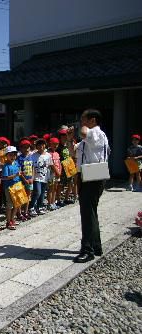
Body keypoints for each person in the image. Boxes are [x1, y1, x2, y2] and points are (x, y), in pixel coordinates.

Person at [71, 109, 110, 263]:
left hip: (93, 173)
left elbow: (83, 133)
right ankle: (95, 245)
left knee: (87, 213)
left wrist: (80, 129)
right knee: (91, 212)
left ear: (93, 120)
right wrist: (69, 140)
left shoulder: (96, 133)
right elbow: (74, 152)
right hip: (89, 173)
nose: (81, 122)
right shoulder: (90, 138)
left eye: (83, 119)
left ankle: (88, 250)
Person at [1, 146, 26, 230]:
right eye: (10, 155)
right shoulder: (6, 166)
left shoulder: (16, 163)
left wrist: (23, 178)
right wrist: (15, 175)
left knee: (17, 203)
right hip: (9, 187)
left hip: (17, 185)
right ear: (6, 156)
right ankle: (8, 221)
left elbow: (19, 173)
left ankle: (13, 219)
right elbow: (5, 177)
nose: (12, 157)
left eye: (14, 155)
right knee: (10, 205)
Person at [29, 139, 53, 216]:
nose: (41, 146)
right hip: (36, 177)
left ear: (45, 145)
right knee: (37, 192)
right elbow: (30, 166)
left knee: (42, 193)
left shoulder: (48, 155)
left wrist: (51, 176)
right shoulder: (33, 155)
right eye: (39, 145)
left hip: (45, 177)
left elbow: (50, 166)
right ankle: (31, 207)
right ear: (36, 146)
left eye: (42, 144)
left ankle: (39, 207)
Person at [16, 139, 33, 220]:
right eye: (24, 147)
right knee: (20, 197)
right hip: (21, 181)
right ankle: (19, 214)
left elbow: (33, 168)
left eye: (28, 147)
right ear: (21, 148)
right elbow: (19, 171)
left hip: (30, 180)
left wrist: (32, 177)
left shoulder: (31, 157)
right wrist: (24, 179)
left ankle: (25, 212)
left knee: (28, 196)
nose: (26, 149)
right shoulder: (19, 158)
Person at [56, 129, 74, 206]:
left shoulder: (69, 144)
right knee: (61, 184)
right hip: (62, 166)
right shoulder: (58, 147)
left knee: (71, 183)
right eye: (63, 136)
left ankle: (66, 198)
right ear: (60, 137)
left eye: (65, 136)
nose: (64, 137)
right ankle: (58, 200)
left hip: (69, 164)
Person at [47, 138, 62, 210]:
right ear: (50, 144)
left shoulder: (56, 153)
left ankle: (53, 202)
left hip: (57, 173)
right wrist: (57, 172)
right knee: (51, 189)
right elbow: (51, 164)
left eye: (57, 144)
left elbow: (59, 163)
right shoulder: (48, 153)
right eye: (54, 144)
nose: (56, 146)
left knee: (55, 188)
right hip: (52, 173)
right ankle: (49, 203)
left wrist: (60, 171)